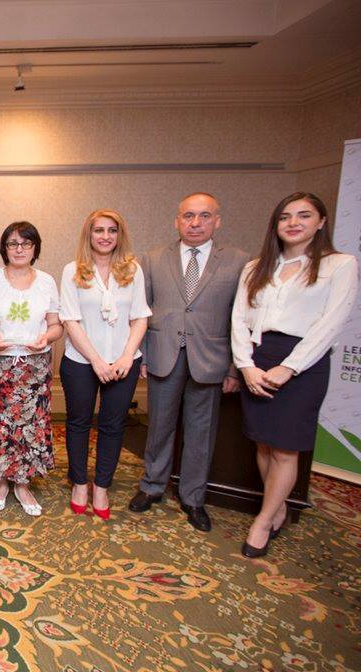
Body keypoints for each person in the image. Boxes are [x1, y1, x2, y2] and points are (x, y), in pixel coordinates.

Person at [232, 192, 357, 557]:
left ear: (321, 222)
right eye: (285, 216)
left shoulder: (339, 264)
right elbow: (238, 318)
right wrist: (245, 365)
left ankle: (263, 520)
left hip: (304, 361)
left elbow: (332, 323)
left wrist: (290, 367)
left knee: (286, 449)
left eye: (304, 215)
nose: (293, 223)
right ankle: (278, 507)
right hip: (258, 356)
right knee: (263, 443)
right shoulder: (256, 267)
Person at [128, 193, 250, 532]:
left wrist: (234, 368)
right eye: (188, 216)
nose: (196, 223)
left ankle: (193, 497)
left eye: (204, 216)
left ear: (217, 221)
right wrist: (142, 355)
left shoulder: (239, 261)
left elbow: (240, 317)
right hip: (164, 355)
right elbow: (142, 311)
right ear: (177, 220)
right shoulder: (153, 259)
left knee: (201, 432)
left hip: (211, 360)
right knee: (159, 426)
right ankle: (152, 486)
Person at [59, 209, 150, 520]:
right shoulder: (72, 271)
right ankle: (79, 483)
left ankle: (101, 486)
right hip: (81, 361)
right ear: (89, 234)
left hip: (124, 362)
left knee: (113, 426)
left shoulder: (133, 271)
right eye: (99, 230)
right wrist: (96, 360)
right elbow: (70, 320)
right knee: (79, 423)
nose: (106, 236)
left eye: (112, 230)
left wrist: (126, 356)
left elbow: (140, 317)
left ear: (119, 235)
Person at [0, 222, 62, 515]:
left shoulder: (47, 281)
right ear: (4, 248)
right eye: (13, 243)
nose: (19, 249)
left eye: (26, 243)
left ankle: (22, 484)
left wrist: (47, 338)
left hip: (34, 365)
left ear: (35, 248)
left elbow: (56, 325)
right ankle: (0, 481)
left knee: (30, 425)